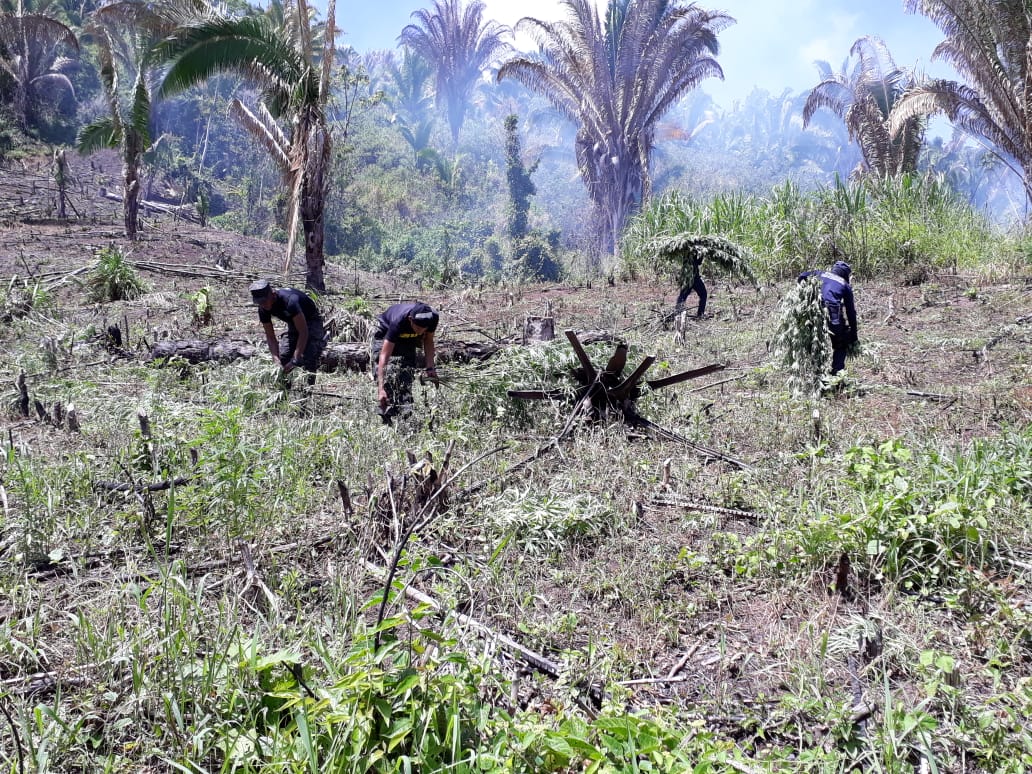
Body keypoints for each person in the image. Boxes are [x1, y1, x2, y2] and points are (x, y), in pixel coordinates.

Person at [371, 301, 439, 423]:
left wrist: (430, 368)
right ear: (410, 319)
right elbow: (384, 356)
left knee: (406, 372)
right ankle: (386, 415)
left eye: (424, 328)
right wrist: (380, 388)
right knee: (388, 376)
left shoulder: (432, 317)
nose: (421, 331)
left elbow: (428, 340)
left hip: (407, 339)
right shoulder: (398, 321)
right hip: (385, 331)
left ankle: (404, 413)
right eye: (418, 327)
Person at [249, 279, 327, 376]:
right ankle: (285, 388)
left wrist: (295, 359)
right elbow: (270, 336)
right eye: (260, 303)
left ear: (272, 295)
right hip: (293, 322)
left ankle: (308, 388)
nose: (263, 305)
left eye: (264, 301)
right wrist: (275, 358)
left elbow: (303, 332)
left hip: (312, 320)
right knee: (284, 357)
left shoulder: (290, 301)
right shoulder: (263, 309)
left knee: (308, 356)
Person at [797, 260, 858, 375]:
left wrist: (803, 292)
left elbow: (802, 275)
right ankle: (836, 376)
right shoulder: (845, 284)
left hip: (813, 314)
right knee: (841, 344)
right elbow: (851, 312)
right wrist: (853, 334)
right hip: (832, 316)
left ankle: (815, 373)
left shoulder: (820, 273)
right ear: (845, 274)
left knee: (815, 343)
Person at [675, 254, 707, 318]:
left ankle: (679, 313)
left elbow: (698, 262)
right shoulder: (689, 249)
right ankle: (700, 314)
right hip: (690, 277)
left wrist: (702, 254)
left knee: (683, 296)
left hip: (690, 277)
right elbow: (696, 262)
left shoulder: (694, 250)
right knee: (683, 296)